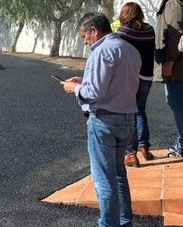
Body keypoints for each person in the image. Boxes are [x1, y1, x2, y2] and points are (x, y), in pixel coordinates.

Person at [60, 12, 140, 227]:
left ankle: (108, 224)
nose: (85, 42)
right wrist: (84, 80)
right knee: (119, 175)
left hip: (104, 121)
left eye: (85, 36)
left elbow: (94, 93)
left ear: (94, 30)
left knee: (104, 180)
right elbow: (117, 82)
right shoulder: (130, 50)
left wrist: (74, 88)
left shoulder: (101, 51)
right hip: (128, 119)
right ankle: (124, 221)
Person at [150, 0, 183, 158]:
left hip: (177, 66)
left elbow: (175, 34)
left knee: (178, 104)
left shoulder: (173, 4)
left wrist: (170, 61)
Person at [115, 2, 156, 167]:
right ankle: (144, 146)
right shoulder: (149, 30)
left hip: (129, 77)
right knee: (140, 111)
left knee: (129, 113)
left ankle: (131, 153)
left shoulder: (122, 32)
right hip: (147, 76)